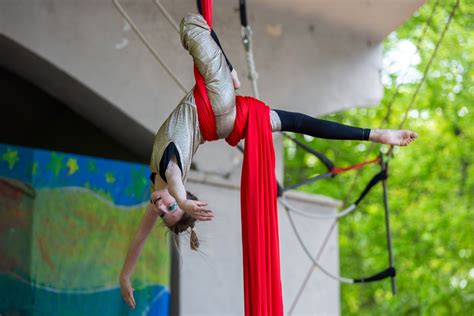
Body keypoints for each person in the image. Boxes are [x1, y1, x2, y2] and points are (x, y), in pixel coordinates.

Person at [119, 13, 418, 309]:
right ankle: (375, 134)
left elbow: (139, 237)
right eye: (168, 207)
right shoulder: (172, 175)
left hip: (225, 114)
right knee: (191, 23)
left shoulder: (158, 189)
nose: (160, 206)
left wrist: (125, 275)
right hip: (217, 101)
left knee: (297, 122)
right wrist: (182, 203)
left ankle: (374, 134)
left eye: (162, 212)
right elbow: (175, 182)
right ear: (182, 196)